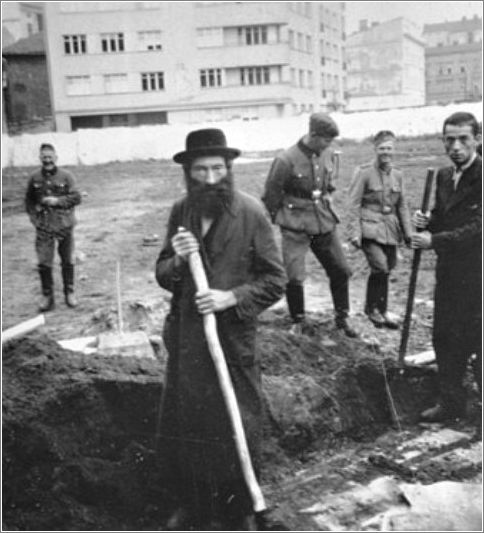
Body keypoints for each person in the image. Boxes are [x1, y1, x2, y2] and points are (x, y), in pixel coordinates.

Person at [155, 128, 287, 530]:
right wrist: (177, 263)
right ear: (188, 173)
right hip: (189, 339)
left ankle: (244, 506)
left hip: (232, 339)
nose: (210, 178)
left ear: (228, 169)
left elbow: (275, 280)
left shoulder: (250, 212)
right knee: (189, 423)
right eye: (200, 170)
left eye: (217, 168)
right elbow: (162, 273)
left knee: (238, 421)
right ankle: (193, 503)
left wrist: (230, 297)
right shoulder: (182, 212)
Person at [412, 111, 481, 423]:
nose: (456, 146)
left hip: (479, 274)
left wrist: (434, 240)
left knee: (479, 340)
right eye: (449, 139)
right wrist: (427, 222)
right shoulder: (442, 176)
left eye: (463, 139)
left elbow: (477, 228)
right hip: (450, 273)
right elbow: (443, 215)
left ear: (477, 140)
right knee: (445, 336)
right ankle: (451, 404)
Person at [262, 112, 357, 337]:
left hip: (322, 221)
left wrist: (327, 197)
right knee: (294, 275)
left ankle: (342, 319)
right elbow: (271, 194)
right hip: (295, 224)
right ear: (313, 135)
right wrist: (283, 218)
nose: (328, 144)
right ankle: (298, 320)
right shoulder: (285, 160)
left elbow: (329, 184)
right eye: (325, 140)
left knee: (341, 270)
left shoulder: (328, 154)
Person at [347, 131, 412, 328]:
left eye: (389, 148)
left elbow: (402, 205)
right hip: (369, 229)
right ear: (375, 150)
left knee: (388, 267)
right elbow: (353, 204)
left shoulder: (398, 175)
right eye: (382, 148)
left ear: (394, 150)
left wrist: (408, 233)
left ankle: (382, 310)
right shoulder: (364, 173)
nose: (386, 152)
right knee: (380, 266)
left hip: (390, 230)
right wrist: (354, 233)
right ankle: (372, 309)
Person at [25, 143, 81, 311]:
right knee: (44, 263)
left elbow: (76, 197)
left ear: (56, 158)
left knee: (68, 261)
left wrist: (58, 201)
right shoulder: (34, 178)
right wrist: (34, 219)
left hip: (64, 225)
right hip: (44, 227)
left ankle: (69, 293)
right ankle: (47, 296)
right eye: (44, 157)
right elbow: (29, 201)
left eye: (50, 157)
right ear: (40, 158)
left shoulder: (66, 176)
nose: (47, 160)